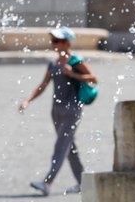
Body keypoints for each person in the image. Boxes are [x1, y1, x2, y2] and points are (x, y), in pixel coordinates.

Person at [18, 27, 97, 196]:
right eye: (52, 41)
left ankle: (47, 182)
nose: (53, 44)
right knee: (69, 147)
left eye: (56, 41)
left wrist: (73, 74)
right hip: (56, 110)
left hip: (72, 110)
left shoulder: (76, 61)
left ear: (67, 43)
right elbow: (43, 85)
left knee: (61, 146)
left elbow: (93, 79)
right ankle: (84, 183)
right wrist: (27, 100)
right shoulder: (53, 64)